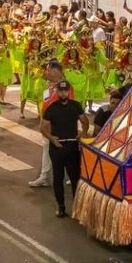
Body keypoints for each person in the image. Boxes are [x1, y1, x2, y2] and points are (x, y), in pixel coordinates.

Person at [39, 80, 87, 218]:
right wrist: (52, 139)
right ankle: (61, 207)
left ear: (69, 92)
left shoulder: (76, 106)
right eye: (60, 91)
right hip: (57, 147)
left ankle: (77, 208)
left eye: (65, 91)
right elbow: (43, 128)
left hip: (72, 146)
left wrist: (82, 133)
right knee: (58, 178)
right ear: (57, 92)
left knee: (75, 178)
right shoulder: (51, 108)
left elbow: (85, 122)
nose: (63, 93)